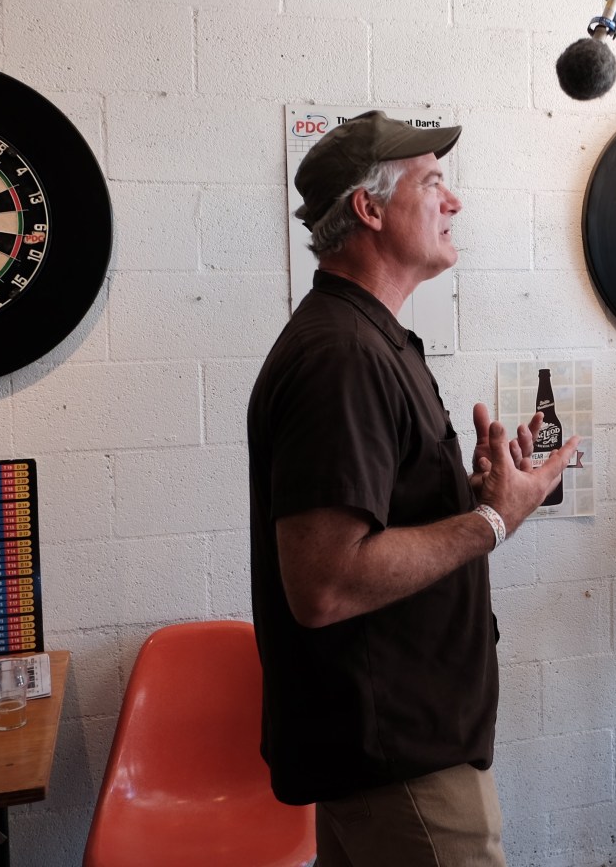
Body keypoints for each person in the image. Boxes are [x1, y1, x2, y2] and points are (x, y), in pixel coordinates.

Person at [246, 111, 579, 867]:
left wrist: (474, 493)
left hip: (389, 742)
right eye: (432, 184)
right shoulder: (341, 356)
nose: (453, 201)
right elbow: (325, 584)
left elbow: (380, 517)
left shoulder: (367, 338)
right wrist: (492, 520)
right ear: (369, 209)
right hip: (397, 755)